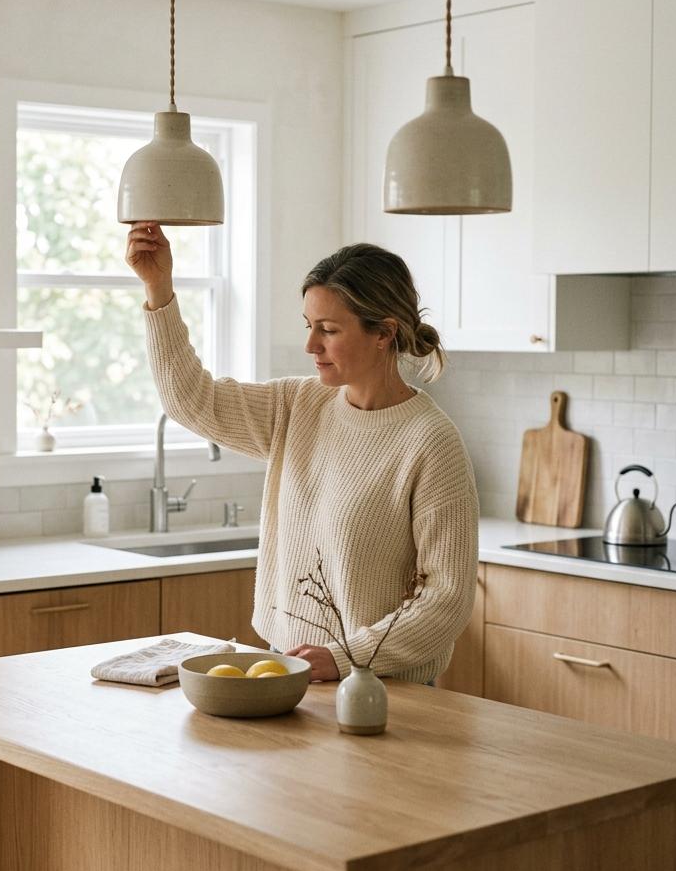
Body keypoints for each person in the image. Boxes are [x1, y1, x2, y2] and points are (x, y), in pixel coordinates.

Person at [126, 222, 479, 684]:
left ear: (384, 333)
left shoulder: (430, 442)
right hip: (285, 670)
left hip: (384, 690)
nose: (311, 345)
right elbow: (191, 400)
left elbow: (446, 599)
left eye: (329, 330)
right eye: (309, 326)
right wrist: (159, 288)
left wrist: (344, 657)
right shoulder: (297, 405)